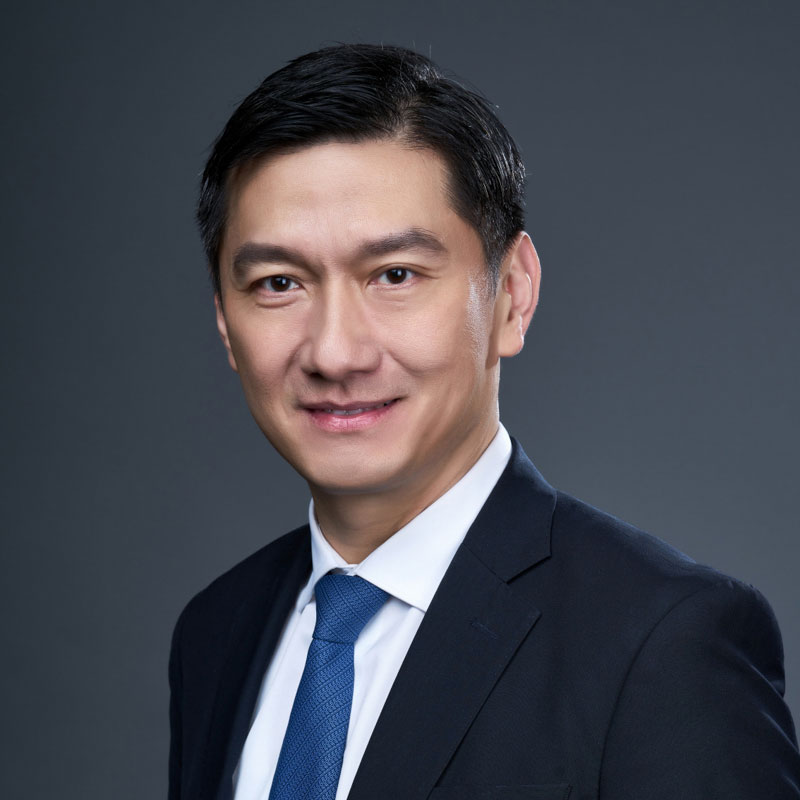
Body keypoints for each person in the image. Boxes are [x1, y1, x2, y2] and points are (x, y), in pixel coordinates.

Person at [169, 44, 800, 800]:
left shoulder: (664, 645)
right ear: (225, 323)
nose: (334, 351)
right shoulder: (217, 630)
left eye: (395, 275)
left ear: (512, 295)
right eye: (278, 283)